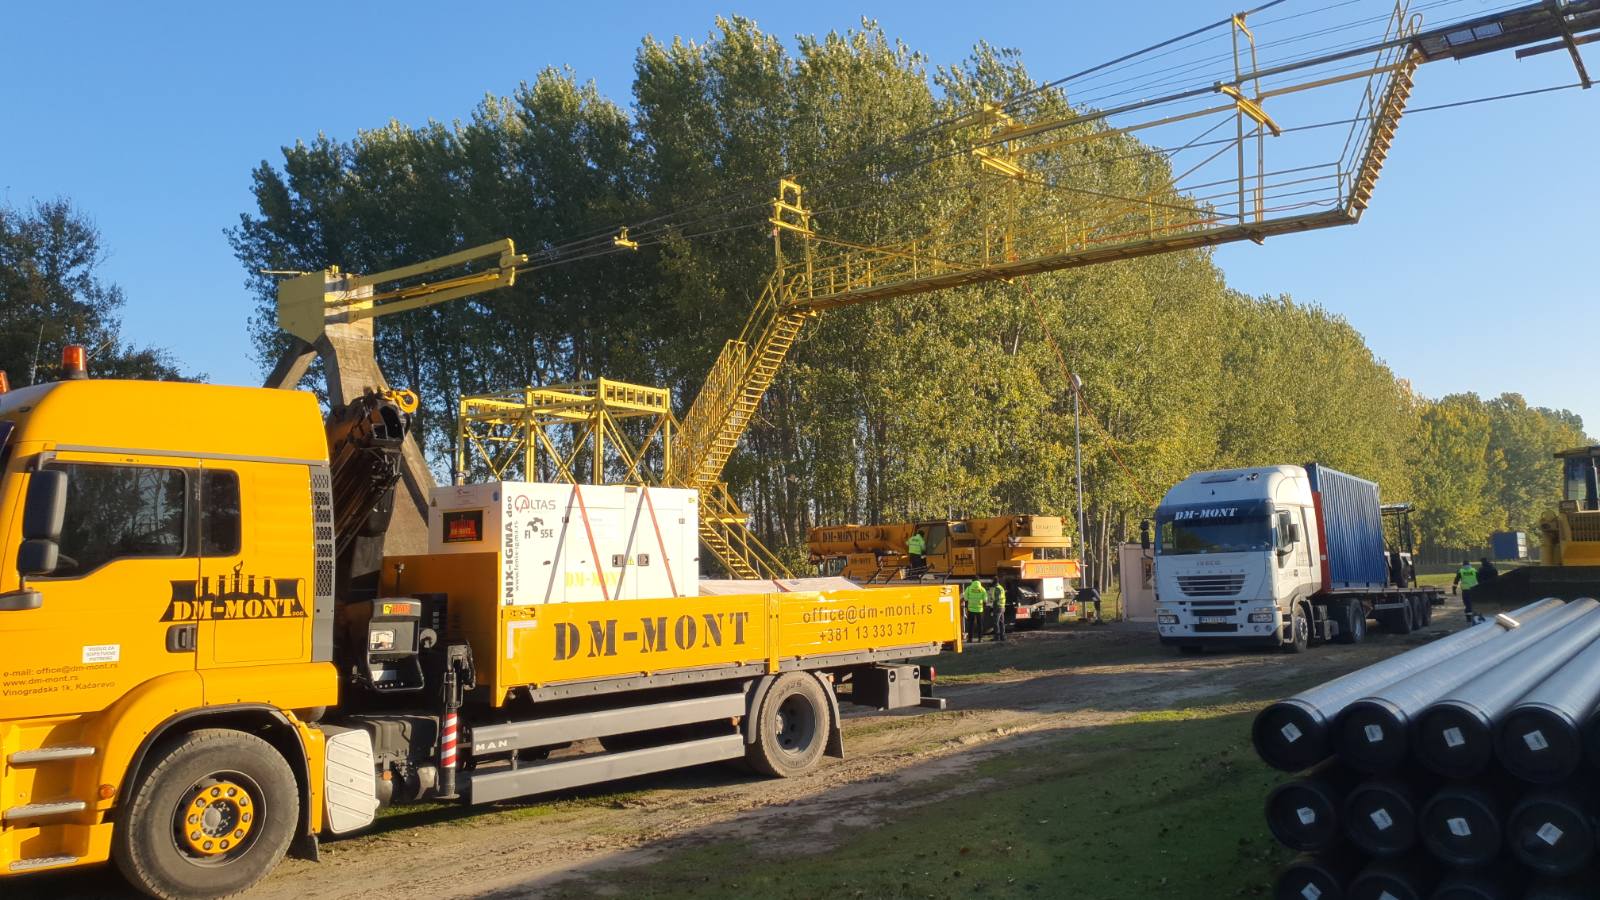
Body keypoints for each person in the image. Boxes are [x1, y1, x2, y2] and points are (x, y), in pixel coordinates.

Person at [963, 578, 987, 642]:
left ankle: (970, 639)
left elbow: (965, 598)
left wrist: (967, 606)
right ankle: (980, 639)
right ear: (979, 581)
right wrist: (983, 607)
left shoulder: (968, 588)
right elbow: (985, 600)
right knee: (980, 624)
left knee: (970, 624)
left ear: (972, 581)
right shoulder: (982, 589)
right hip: (980, 610)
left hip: (971, 609)